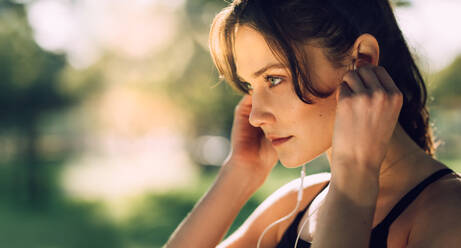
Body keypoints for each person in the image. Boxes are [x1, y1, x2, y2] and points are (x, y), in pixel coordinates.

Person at [164, 0, 461, 247]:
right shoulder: (299, 204)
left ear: (362, 60)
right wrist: (239, 174)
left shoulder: (448, 215)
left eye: (274, 78)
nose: (255, 117)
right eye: (250, 86)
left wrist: (355, 174)